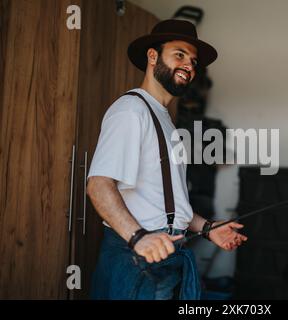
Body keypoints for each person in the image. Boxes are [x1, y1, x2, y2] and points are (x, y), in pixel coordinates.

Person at [87, 19, 247, 300]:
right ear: (152, 56)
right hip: (135, 259)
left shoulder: (165, 120)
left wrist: (208, 229)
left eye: (194, 61)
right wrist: (138, 237)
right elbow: (99, 185)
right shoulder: (130, 111)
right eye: (180, 55)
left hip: (166, 256)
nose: (189, 65)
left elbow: (167, 204)